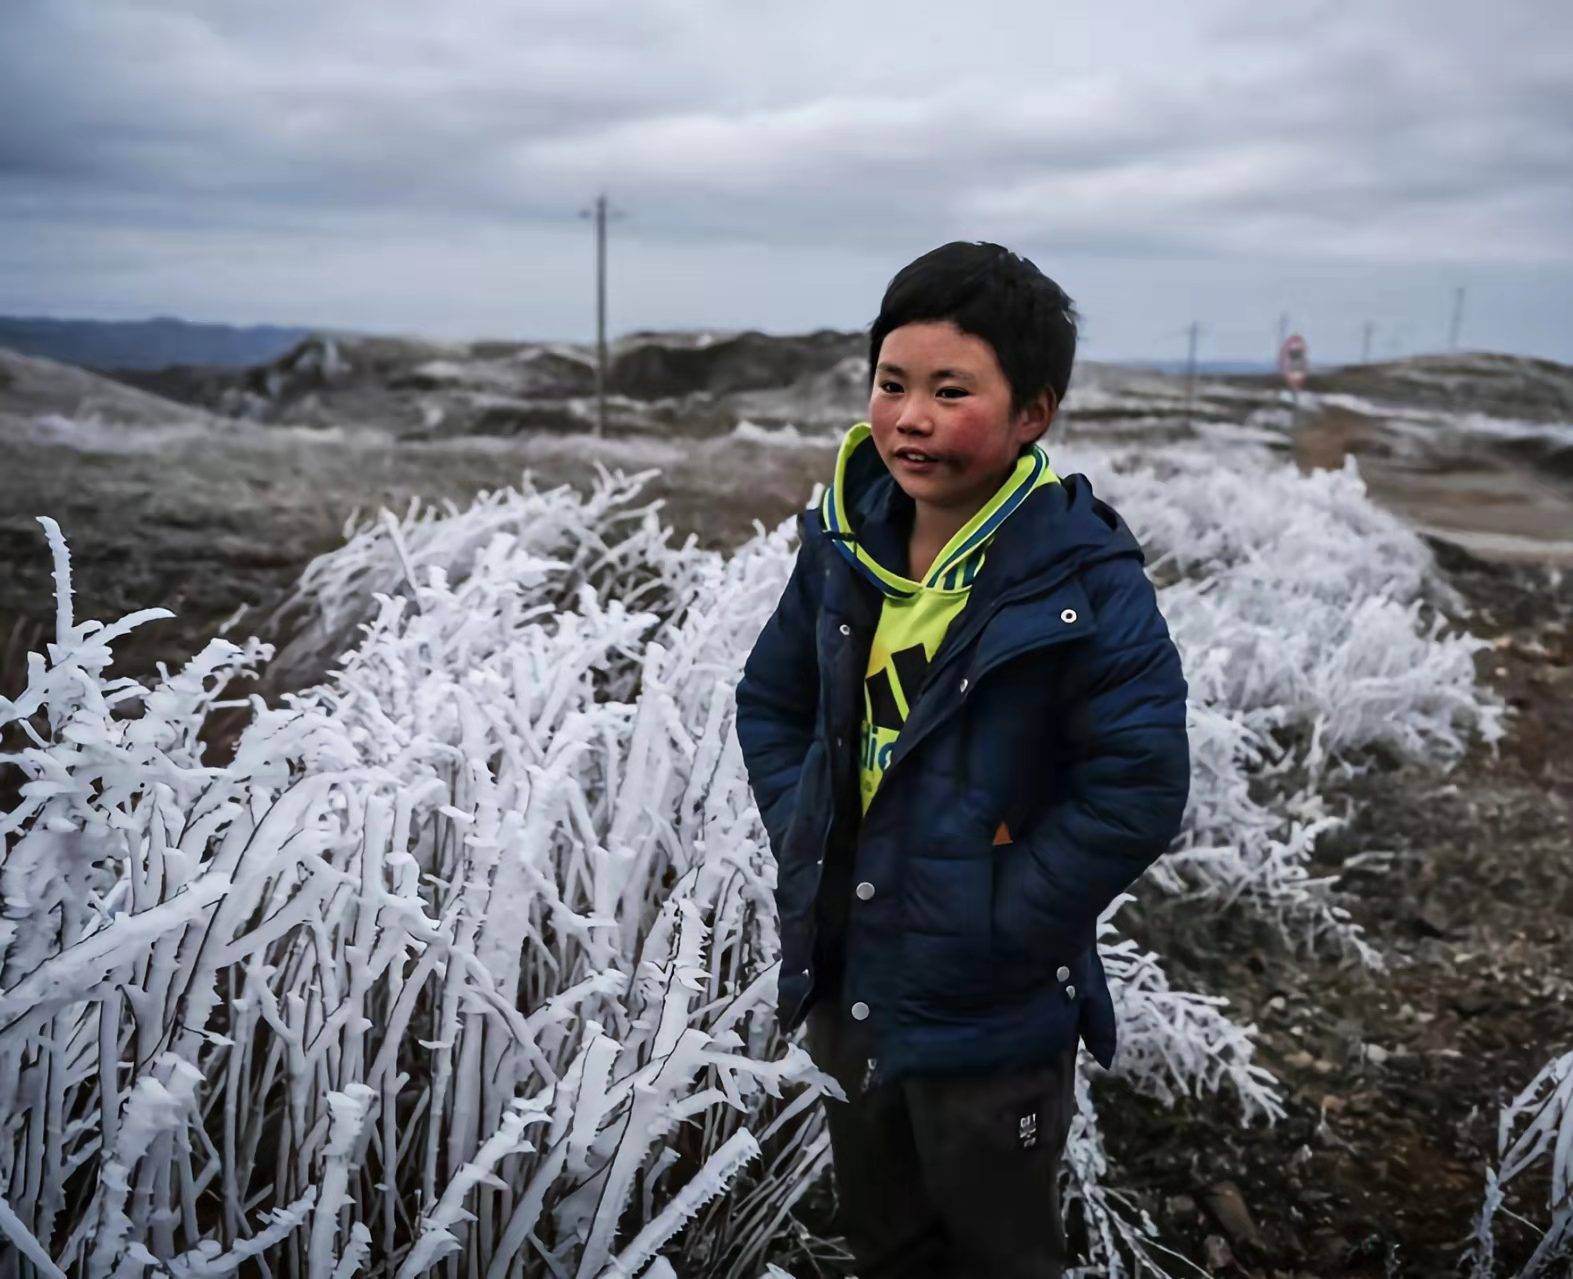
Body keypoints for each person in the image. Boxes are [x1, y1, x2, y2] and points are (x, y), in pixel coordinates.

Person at [733, 241, 1191, 1278]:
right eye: (891, 385)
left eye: (951, 391)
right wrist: (809, 826)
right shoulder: (843, 547)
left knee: (998, 1245)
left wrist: (1004, 917)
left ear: (1034, 410)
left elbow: (1138, 784)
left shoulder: (1084, 580)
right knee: (883, 1231)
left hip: (994, 1010)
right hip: (852, 972)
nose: (910, 418)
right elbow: (772, 703)